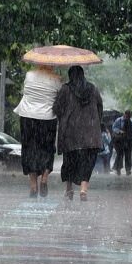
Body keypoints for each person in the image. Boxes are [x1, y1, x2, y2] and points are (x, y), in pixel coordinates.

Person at [53, 65, 103, 202]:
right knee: (87, 163)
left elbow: (57, 108)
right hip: (90, 134)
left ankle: (69, 189)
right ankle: (83, 189)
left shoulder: (65, 89)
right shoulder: (93, 89)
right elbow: (100, 109)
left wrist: (63, 118)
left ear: (70, 76)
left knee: (70, 161)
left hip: (71, 132)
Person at [14, 65, 62, 198]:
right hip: (47, 118)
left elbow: (26, 91)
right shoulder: (57, 79)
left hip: (28, 117)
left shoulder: (29, 75)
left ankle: (33, 186)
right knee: (47, 149)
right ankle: (44, 178)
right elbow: (58, 98)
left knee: (29, 150)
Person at [112, 110, 132, 176]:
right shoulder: (119, 120)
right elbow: (114, 127)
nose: (128, 117)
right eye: (127, 116)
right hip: (120, 140)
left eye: (129, 116)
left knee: (128, 155)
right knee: (120, 154)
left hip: (129, 140)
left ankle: (128, 170)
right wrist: (119, 131)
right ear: (125, 114)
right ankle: (118, 168)